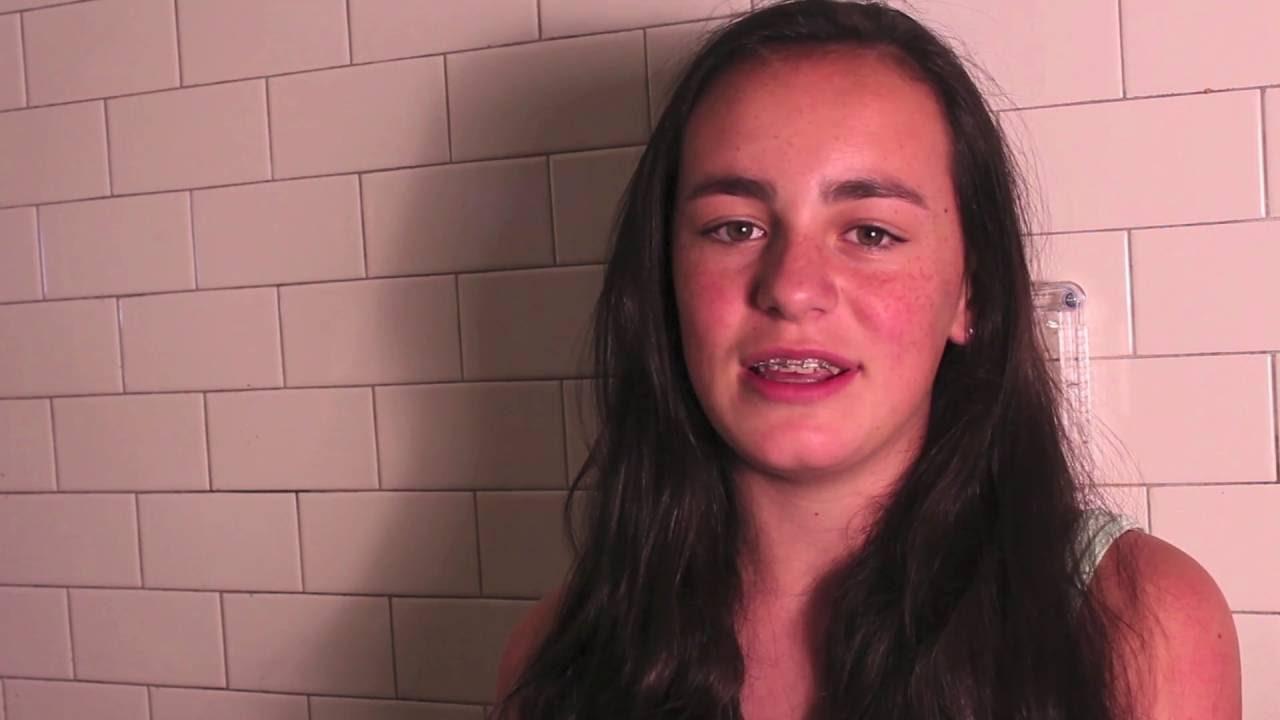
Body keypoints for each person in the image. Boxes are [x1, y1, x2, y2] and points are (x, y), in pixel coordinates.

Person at [493, 1, 1241, 718]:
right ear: (665, 278)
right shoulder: (556, 658)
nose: (791, 288)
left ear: (972, 294)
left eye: (871, 233)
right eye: (734, 228)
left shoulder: (1140, 624)